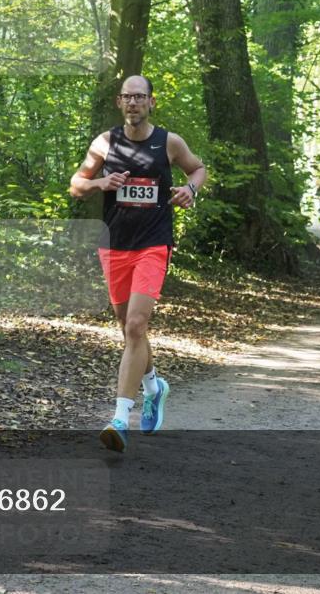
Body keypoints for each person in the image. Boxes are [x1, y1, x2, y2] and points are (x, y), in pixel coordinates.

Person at [70, 74, 206, 452]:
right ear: (119, 102)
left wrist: (189, 189)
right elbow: (76, 185)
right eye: (127, 97)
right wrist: (100, 183)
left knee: (135, 325)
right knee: (127, 329)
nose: (133, 103)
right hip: (114, 245)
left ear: (151, 101)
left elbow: (198, 168)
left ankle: (119, 418)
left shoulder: (169, 142)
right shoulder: (104, 142)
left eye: (140, 97)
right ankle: (153, 386)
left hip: (153, 243)